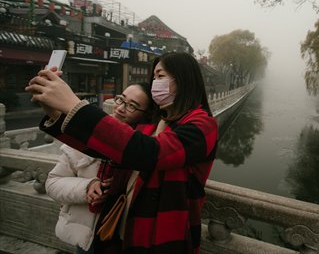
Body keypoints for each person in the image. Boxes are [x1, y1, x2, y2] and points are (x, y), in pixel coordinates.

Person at [27, 52, 218, 253]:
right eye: (154, 77)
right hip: (127, 232)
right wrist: (56, 113)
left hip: (165, 235)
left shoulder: (202, 124)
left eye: (160, 76)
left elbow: (151, 153)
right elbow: (107, 149)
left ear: (183, 79)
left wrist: (74, 105)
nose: (155, 83)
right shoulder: (159, 122)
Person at [45, 82, 156, 254]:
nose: (120, 108)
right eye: (121, 100)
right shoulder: (86, 134)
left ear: (146, 115)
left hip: (122, 238)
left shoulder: (144, 149)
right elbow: (52, 183)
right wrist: (87, 187)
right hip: (86, 238)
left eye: (132, 106)